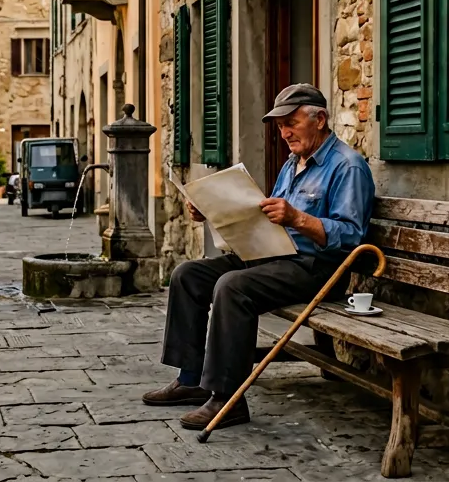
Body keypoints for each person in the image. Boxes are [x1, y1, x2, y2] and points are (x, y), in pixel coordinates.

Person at [143, 83, 375, 430]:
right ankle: (191, 378)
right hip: (273, 254)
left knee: (233, 287)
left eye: (291, 123)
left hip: (317, 267)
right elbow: (265, 215)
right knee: (188, 274)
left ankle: (227, 398)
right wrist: (215, 211)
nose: (284, 133)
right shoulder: (292, 164)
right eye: (280, 126)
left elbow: (352, 236)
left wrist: (298, 218)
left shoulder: (348, 166)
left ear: (321, 119)